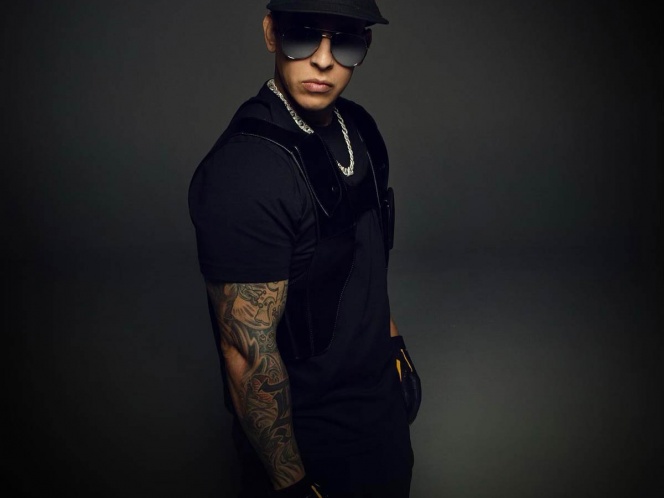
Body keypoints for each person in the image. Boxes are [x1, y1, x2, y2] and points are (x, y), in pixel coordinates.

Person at [188, 1, 421, 496]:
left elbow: (365, 264)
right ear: (272, 33)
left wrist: (394, 346)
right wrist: (291, 483)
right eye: (303, 36)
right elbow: (246, 355)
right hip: (309, 444)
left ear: (365, 45)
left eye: (345, 42)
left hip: (379, 419)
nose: (323, 59)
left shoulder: (360, 129)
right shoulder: (246, 173)